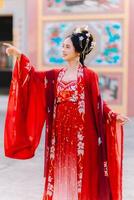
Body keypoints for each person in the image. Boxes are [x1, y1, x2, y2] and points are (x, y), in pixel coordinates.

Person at [4, 26, 128, 200]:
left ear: (78, 51)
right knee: (61, 168)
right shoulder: (56, 75)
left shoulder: (89, 76)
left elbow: (99, 103)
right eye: (62, 46)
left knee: (80, 172)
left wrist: (113, 116)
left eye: (67, 47)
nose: (63, 50)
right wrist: (19, 56)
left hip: (82, 135)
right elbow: (33, 77)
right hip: (59, 132)